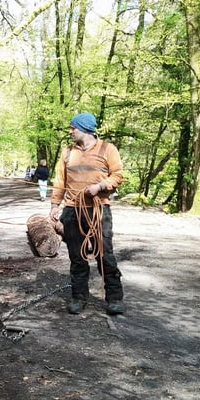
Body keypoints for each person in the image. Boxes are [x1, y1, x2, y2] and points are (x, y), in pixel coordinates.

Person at [49, 112, 125, 315]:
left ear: (84, 129)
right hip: (72, 210)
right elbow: (60, 181)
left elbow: (118, 175)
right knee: (77, 257)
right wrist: (55, 205)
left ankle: (114, 299)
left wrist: (100, 186)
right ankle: (79, 297)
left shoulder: (108, 149)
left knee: (104, 255)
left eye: (73, 128)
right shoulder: (67, 153)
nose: (70, 131)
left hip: (99, 209)